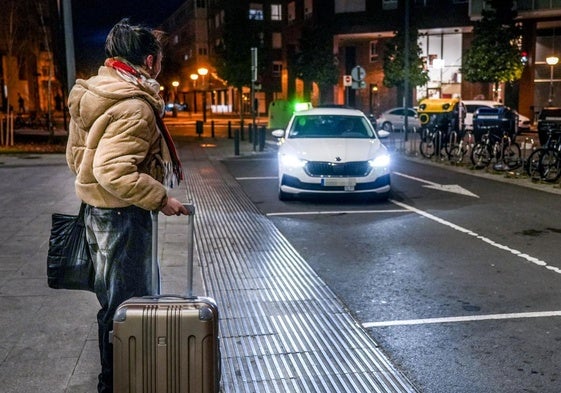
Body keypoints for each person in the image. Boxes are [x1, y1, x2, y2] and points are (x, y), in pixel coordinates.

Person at [66, 18, 189, 393]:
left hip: (98, 214)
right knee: (128, 306)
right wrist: (160, 197)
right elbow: (111, 169)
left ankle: (119, 377)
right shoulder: (134, 105)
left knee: (115, 302)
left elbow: (78, 158)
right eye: (160, 59)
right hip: (122, 218)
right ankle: (118, 382)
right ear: (149, 62)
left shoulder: (98, 91)